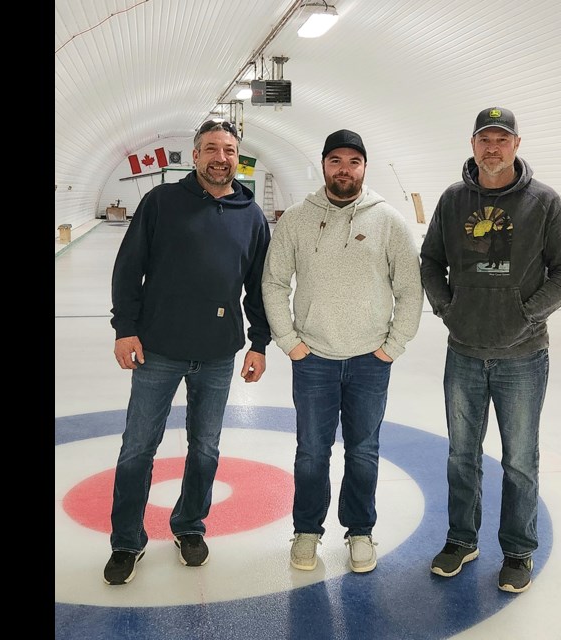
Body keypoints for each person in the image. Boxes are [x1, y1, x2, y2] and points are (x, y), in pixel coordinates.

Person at [420, 107, 561, 593]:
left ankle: (517, 551)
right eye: (484, 139)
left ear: (516, 144)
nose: (493, 147)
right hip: (464, 352)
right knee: (460, 455)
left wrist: (526, 314)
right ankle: (461, 540)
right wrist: (449, 308)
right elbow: (430, 261)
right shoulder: (453, 200)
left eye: (502, 138)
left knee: (519, 459)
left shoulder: (544, 202)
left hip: (524, 357)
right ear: (473, 145)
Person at [104, 120, 272, 585]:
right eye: (212, 149)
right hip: (159, 348)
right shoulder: (160, 202)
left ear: (239, 158)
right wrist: (125, 329)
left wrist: (259, 342)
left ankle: (190, 526)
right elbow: (128, 269)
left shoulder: (251, 215)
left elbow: (259, 288)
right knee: (138, 446)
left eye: (230, 150)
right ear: (195, 155)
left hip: (218, 354)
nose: (221, 157)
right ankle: (126, 540)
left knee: (206, 447)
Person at [261, 129, 423, 574]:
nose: (345, 169)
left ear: (364, 167)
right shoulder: (296, 218)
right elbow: (274, 282)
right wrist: (290, 342)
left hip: (371, 360)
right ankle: (308, 531)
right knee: (312, 451)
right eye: (336, 160)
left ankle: (360, 531)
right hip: (313, 358)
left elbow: (410, 288)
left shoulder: (388, 220)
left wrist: (393, 346)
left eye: (354, 161)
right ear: (324, 165)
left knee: (363, 450)